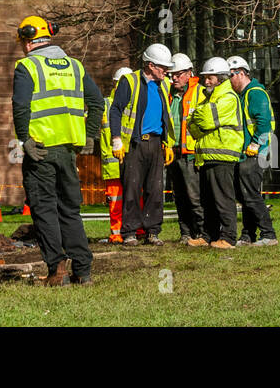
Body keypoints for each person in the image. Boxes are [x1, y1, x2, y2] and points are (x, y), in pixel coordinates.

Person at [11, 15, 104, 285]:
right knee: (69, 210)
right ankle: (83, 271)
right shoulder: (75, 67)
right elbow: (97, 103)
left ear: (28, 42)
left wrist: (24, 139)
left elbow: (20, 107)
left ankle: (57, 269)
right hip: (68, 153)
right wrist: (90, 136)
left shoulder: (26, 67)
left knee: (44, 210)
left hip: (39, 151)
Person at [110, 43, 175, 245]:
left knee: (154, 190)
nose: (166, 71)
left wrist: (168, 143)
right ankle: (129, 232)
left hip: (156, 144)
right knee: (132, 189)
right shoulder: (129, 82)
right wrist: (117, 140)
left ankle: (152, 231)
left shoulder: (164, 85)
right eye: (162, 67)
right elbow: (115, 110)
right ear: (150, 65)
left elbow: (166, 116)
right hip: (135, 145)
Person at [187, 57, 244, 249]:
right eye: (205, 77)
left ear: (220, 77)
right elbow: (193, 126)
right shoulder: (210, 98)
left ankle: (228, 238)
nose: (206, 81)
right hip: (207, 155)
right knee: (207, 200)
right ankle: (208, 235)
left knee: (223, 199)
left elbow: (204, 119)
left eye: (210, 77)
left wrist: (197, 114)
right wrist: (197, 116)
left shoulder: (228, 97)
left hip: (223, 155)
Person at [229, 55, 278, 246]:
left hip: (255, 154)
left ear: (240, 73)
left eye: (230, 76)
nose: (228, 81)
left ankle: (268, 234)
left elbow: (265, 123)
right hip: (246, 153)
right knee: (245, 195)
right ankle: (248, 235)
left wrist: (256, 145)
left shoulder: (255, 93)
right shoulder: (244, 94)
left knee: (250, 195)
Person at [166, 53, 206, 245]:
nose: (173, 78)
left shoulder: (201, 92)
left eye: (178, 74)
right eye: (171, 74)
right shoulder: (168, 94)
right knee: (179, 196)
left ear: (189, 73)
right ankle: (185, 233)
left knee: (194, 196)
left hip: (191, 154)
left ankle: (201, 233)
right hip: (172, 152)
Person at [100, 67, 131, 244]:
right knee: (116, 200)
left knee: (135, 197)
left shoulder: (133, 103)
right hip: (112, 164)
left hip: (131, 160)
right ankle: (117, 233)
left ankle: (137, 230)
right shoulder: (105, 104)